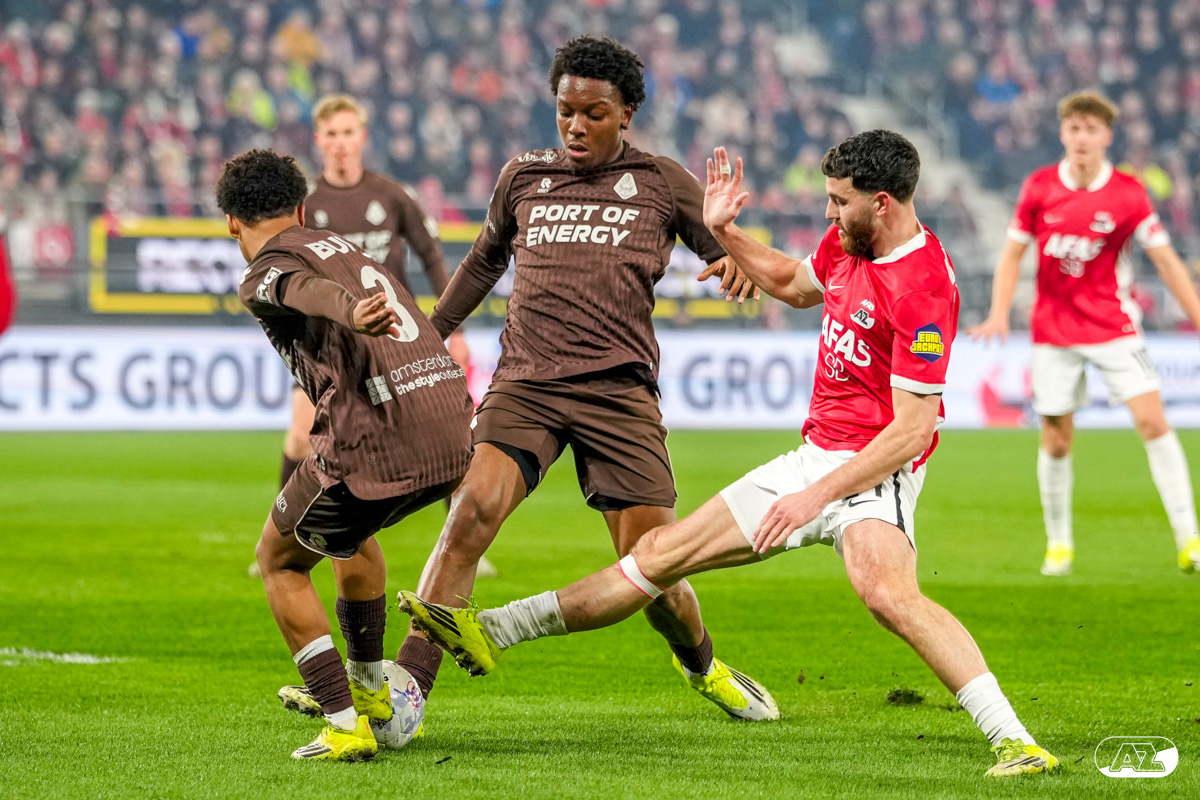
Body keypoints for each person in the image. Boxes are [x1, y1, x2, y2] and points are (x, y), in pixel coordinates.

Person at [401, 133, 1061, 778]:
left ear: (881, 203)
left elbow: (912, 432)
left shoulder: (922, 289)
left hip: (873, 470)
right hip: (814, 458)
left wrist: (814, 497)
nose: (828, 212)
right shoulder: (851, 242)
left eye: (840, 201)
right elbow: (794, 283)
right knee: (658, 556)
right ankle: (492, 630)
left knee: (888, 595)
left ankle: (1017, 742)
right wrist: (724, 232)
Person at [392, 35, 774, 727]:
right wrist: (430, 331)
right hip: (526, 385)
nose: (575, 126)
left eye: (593, 114)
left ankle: (702, 665)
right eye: (565, 111)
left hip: (618, 394)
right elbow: (482, 263)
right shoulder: (524, 177)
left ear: (625, 114)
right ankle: (407, 690)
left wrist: (736, 260)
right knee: (468, 512)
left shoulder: (661, 181)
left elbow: (727, 249)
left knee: (654, 570)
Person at [220, 149, 473, 760]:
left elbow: (303, 291)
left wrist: (350, 312)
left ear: (231, 223)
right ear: (302, 209)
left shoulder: (264, 270)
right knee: (349, 537)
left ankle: (343, 723)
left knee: (278, 559)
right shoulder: (346, 248)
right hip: (451, 419)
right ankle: (370, 694)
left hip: (379, 431)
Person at [253, 93, 494, 579]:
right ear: (319, 140)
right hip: (329, 348)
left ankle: (462, 542)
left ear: (362, 137)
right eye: (332, 134)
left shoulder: (391, 195)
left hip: (394, 342)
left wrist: (456, 330)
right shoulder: (307, 205)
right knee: (300, 435)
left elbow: (431, 257)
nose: (340, 143)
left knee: (438, 429)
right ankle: (287, 536)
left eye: (348, 133)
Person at [971, 90, 1200, 576]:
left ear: (1106, 136)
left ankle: (1189, 539)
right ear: (1063, 133)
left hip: (1113, 325)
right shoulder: (1039, 187)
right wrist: (998, 313)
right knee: (1057, 439)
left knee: (1153, 421)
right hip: (1053, 331)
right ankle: (1059, 545)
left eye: (1091, 129)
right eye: (1074, 128)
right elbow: (1012, 254)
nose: (1081, 137)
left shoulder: (1128, 193)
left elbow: (1165, 260)